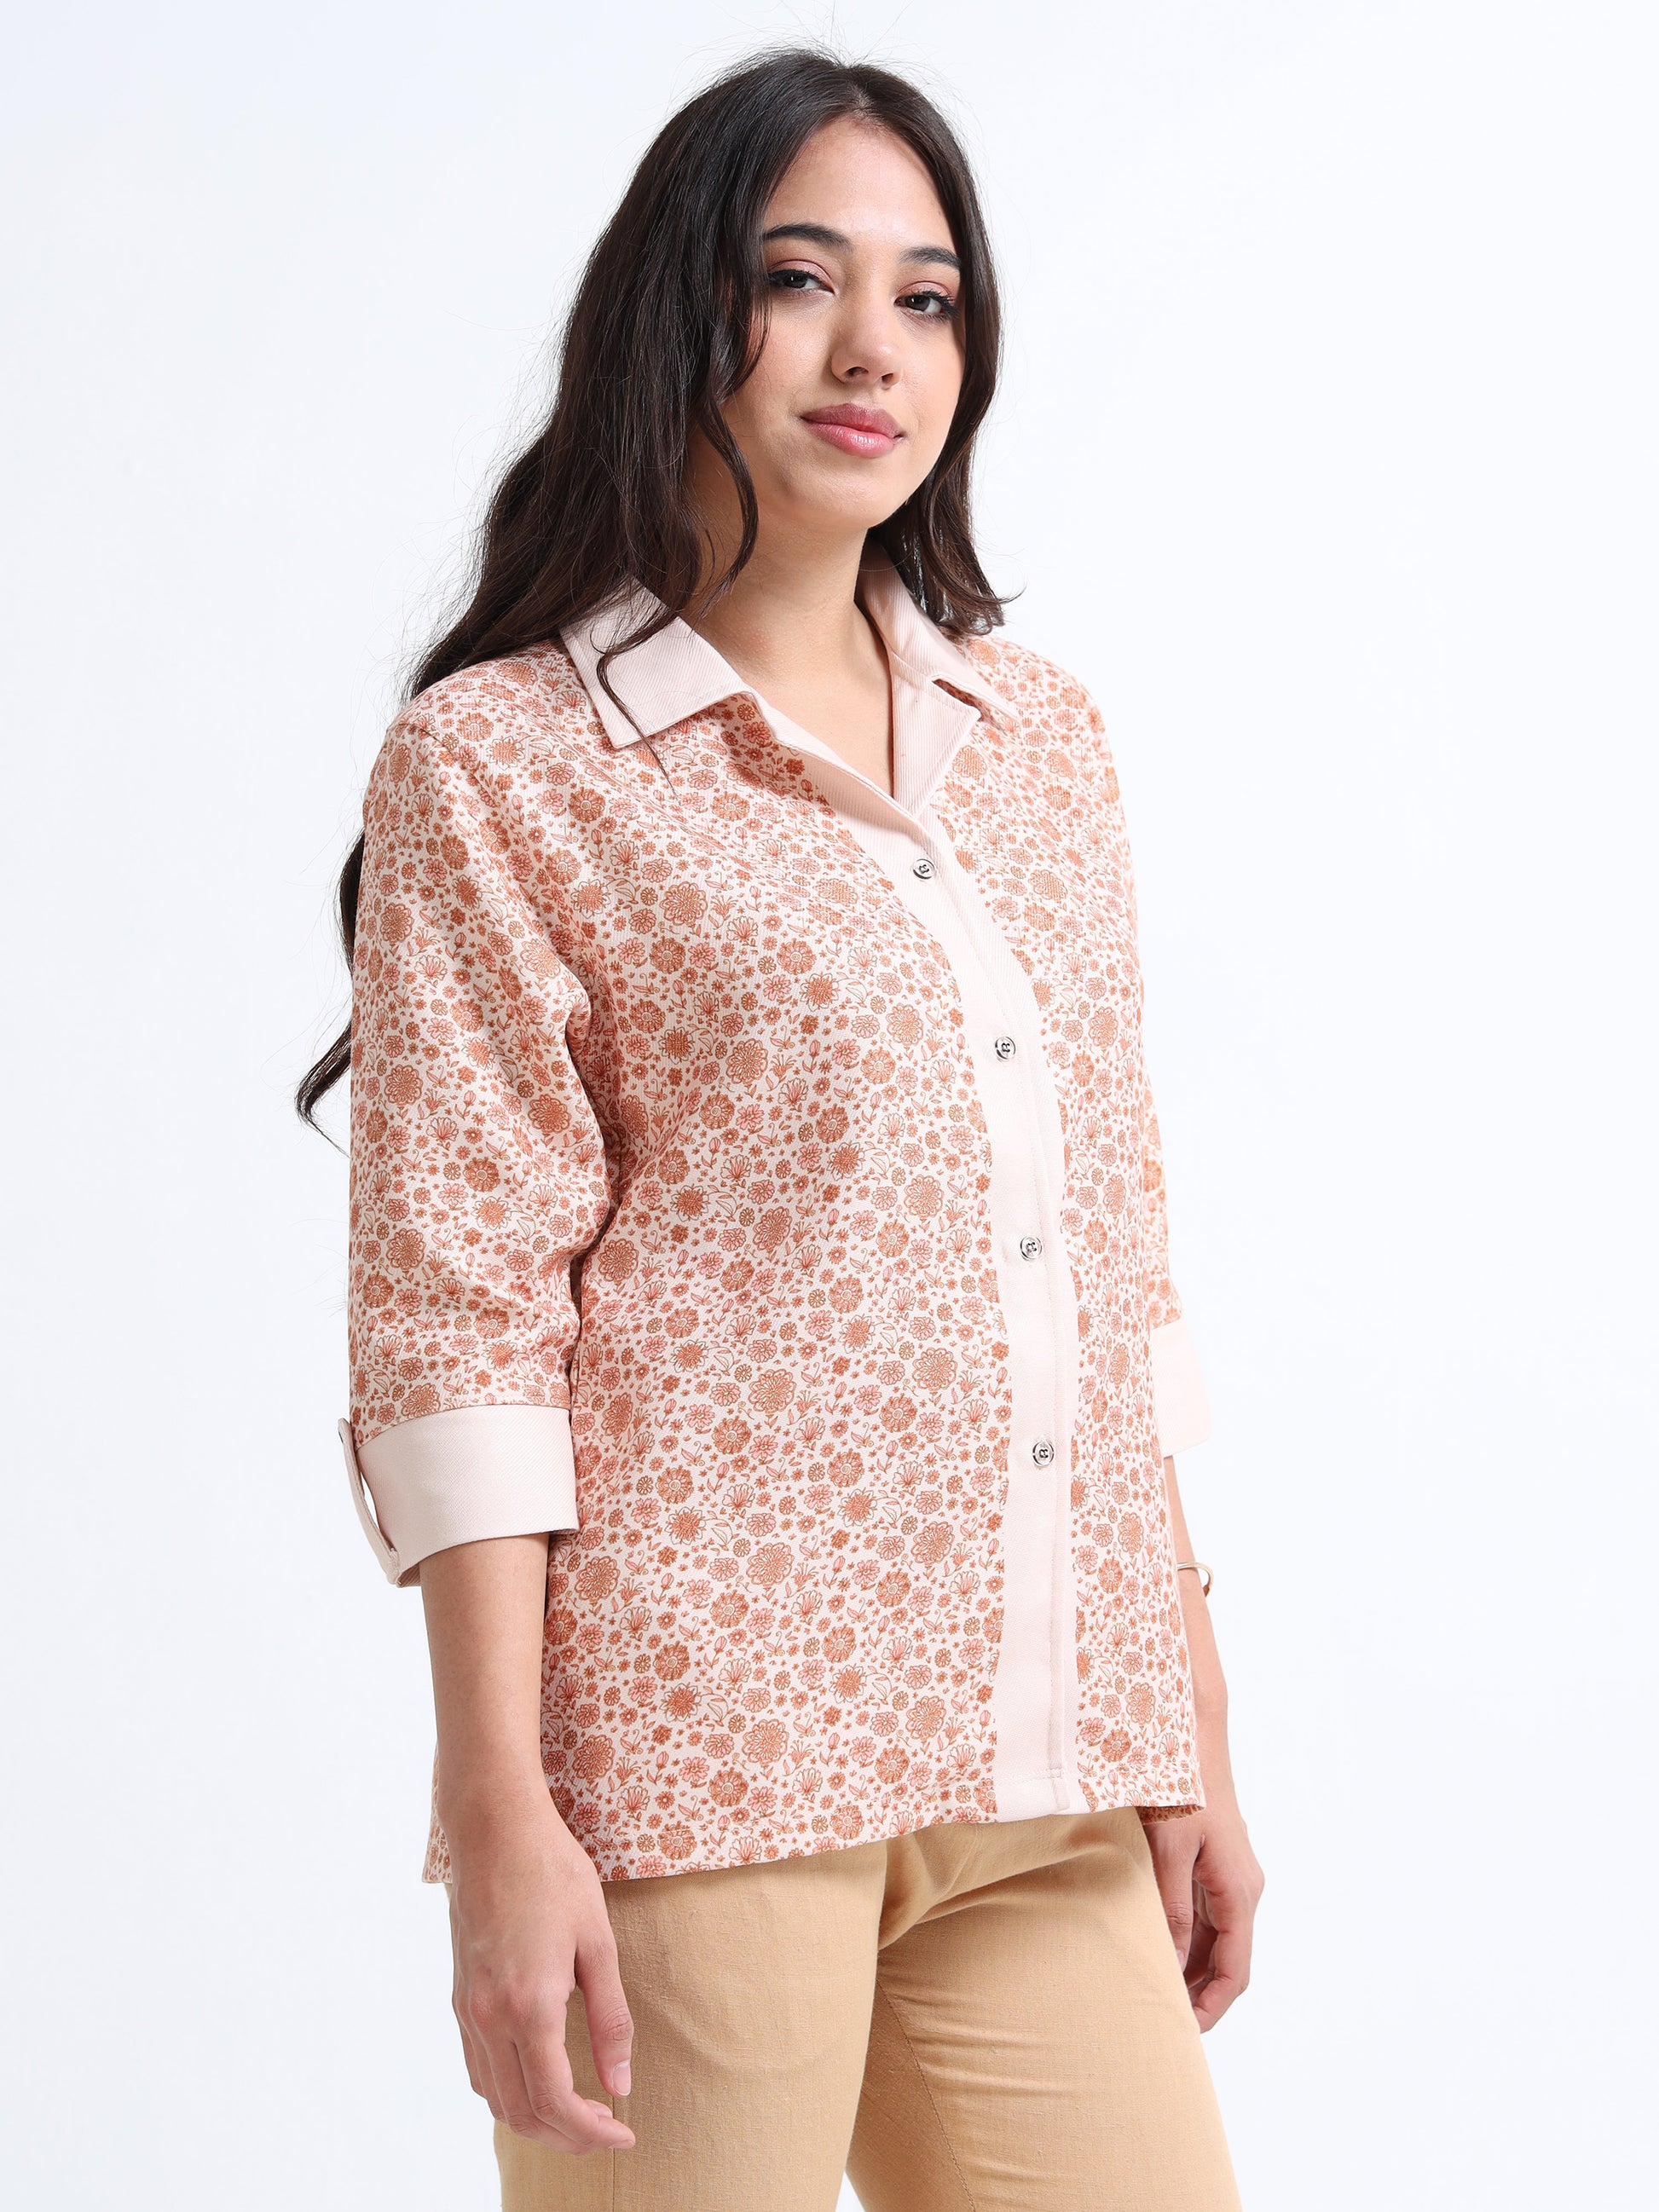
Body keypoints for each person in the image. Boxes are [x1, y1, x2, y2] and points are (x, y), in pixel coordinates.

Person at [300, 44, 1263, 2212]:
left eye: (926, 299)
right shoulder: (503, 765)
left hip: (1042, 1763)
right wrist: (499, 1806)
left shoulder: (1041, 742)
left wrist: (1186, 1708)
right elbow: (461, 1329)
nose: (871, 351)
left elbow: (1112, 1260)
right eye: (799, 279)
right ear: (681, 316)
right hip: (699, 1771)